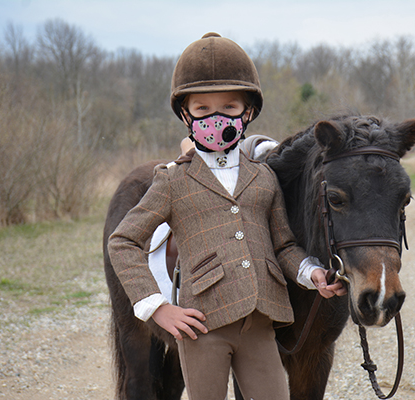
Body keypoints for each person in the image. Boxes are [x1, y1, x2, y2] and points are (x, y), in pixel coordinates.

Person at [108, 32, 345, 400]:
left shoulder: (263, 177)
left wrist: (311, 272)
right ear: (186, 114)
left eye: (229, 108)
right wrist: (157, 307)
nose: (216, 119)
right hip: (203, 328)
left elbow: (282, 245)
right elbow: (123, 241)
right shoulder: (172, 180)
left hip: (260, 324)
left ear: (247, 112)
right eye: (202, 110)